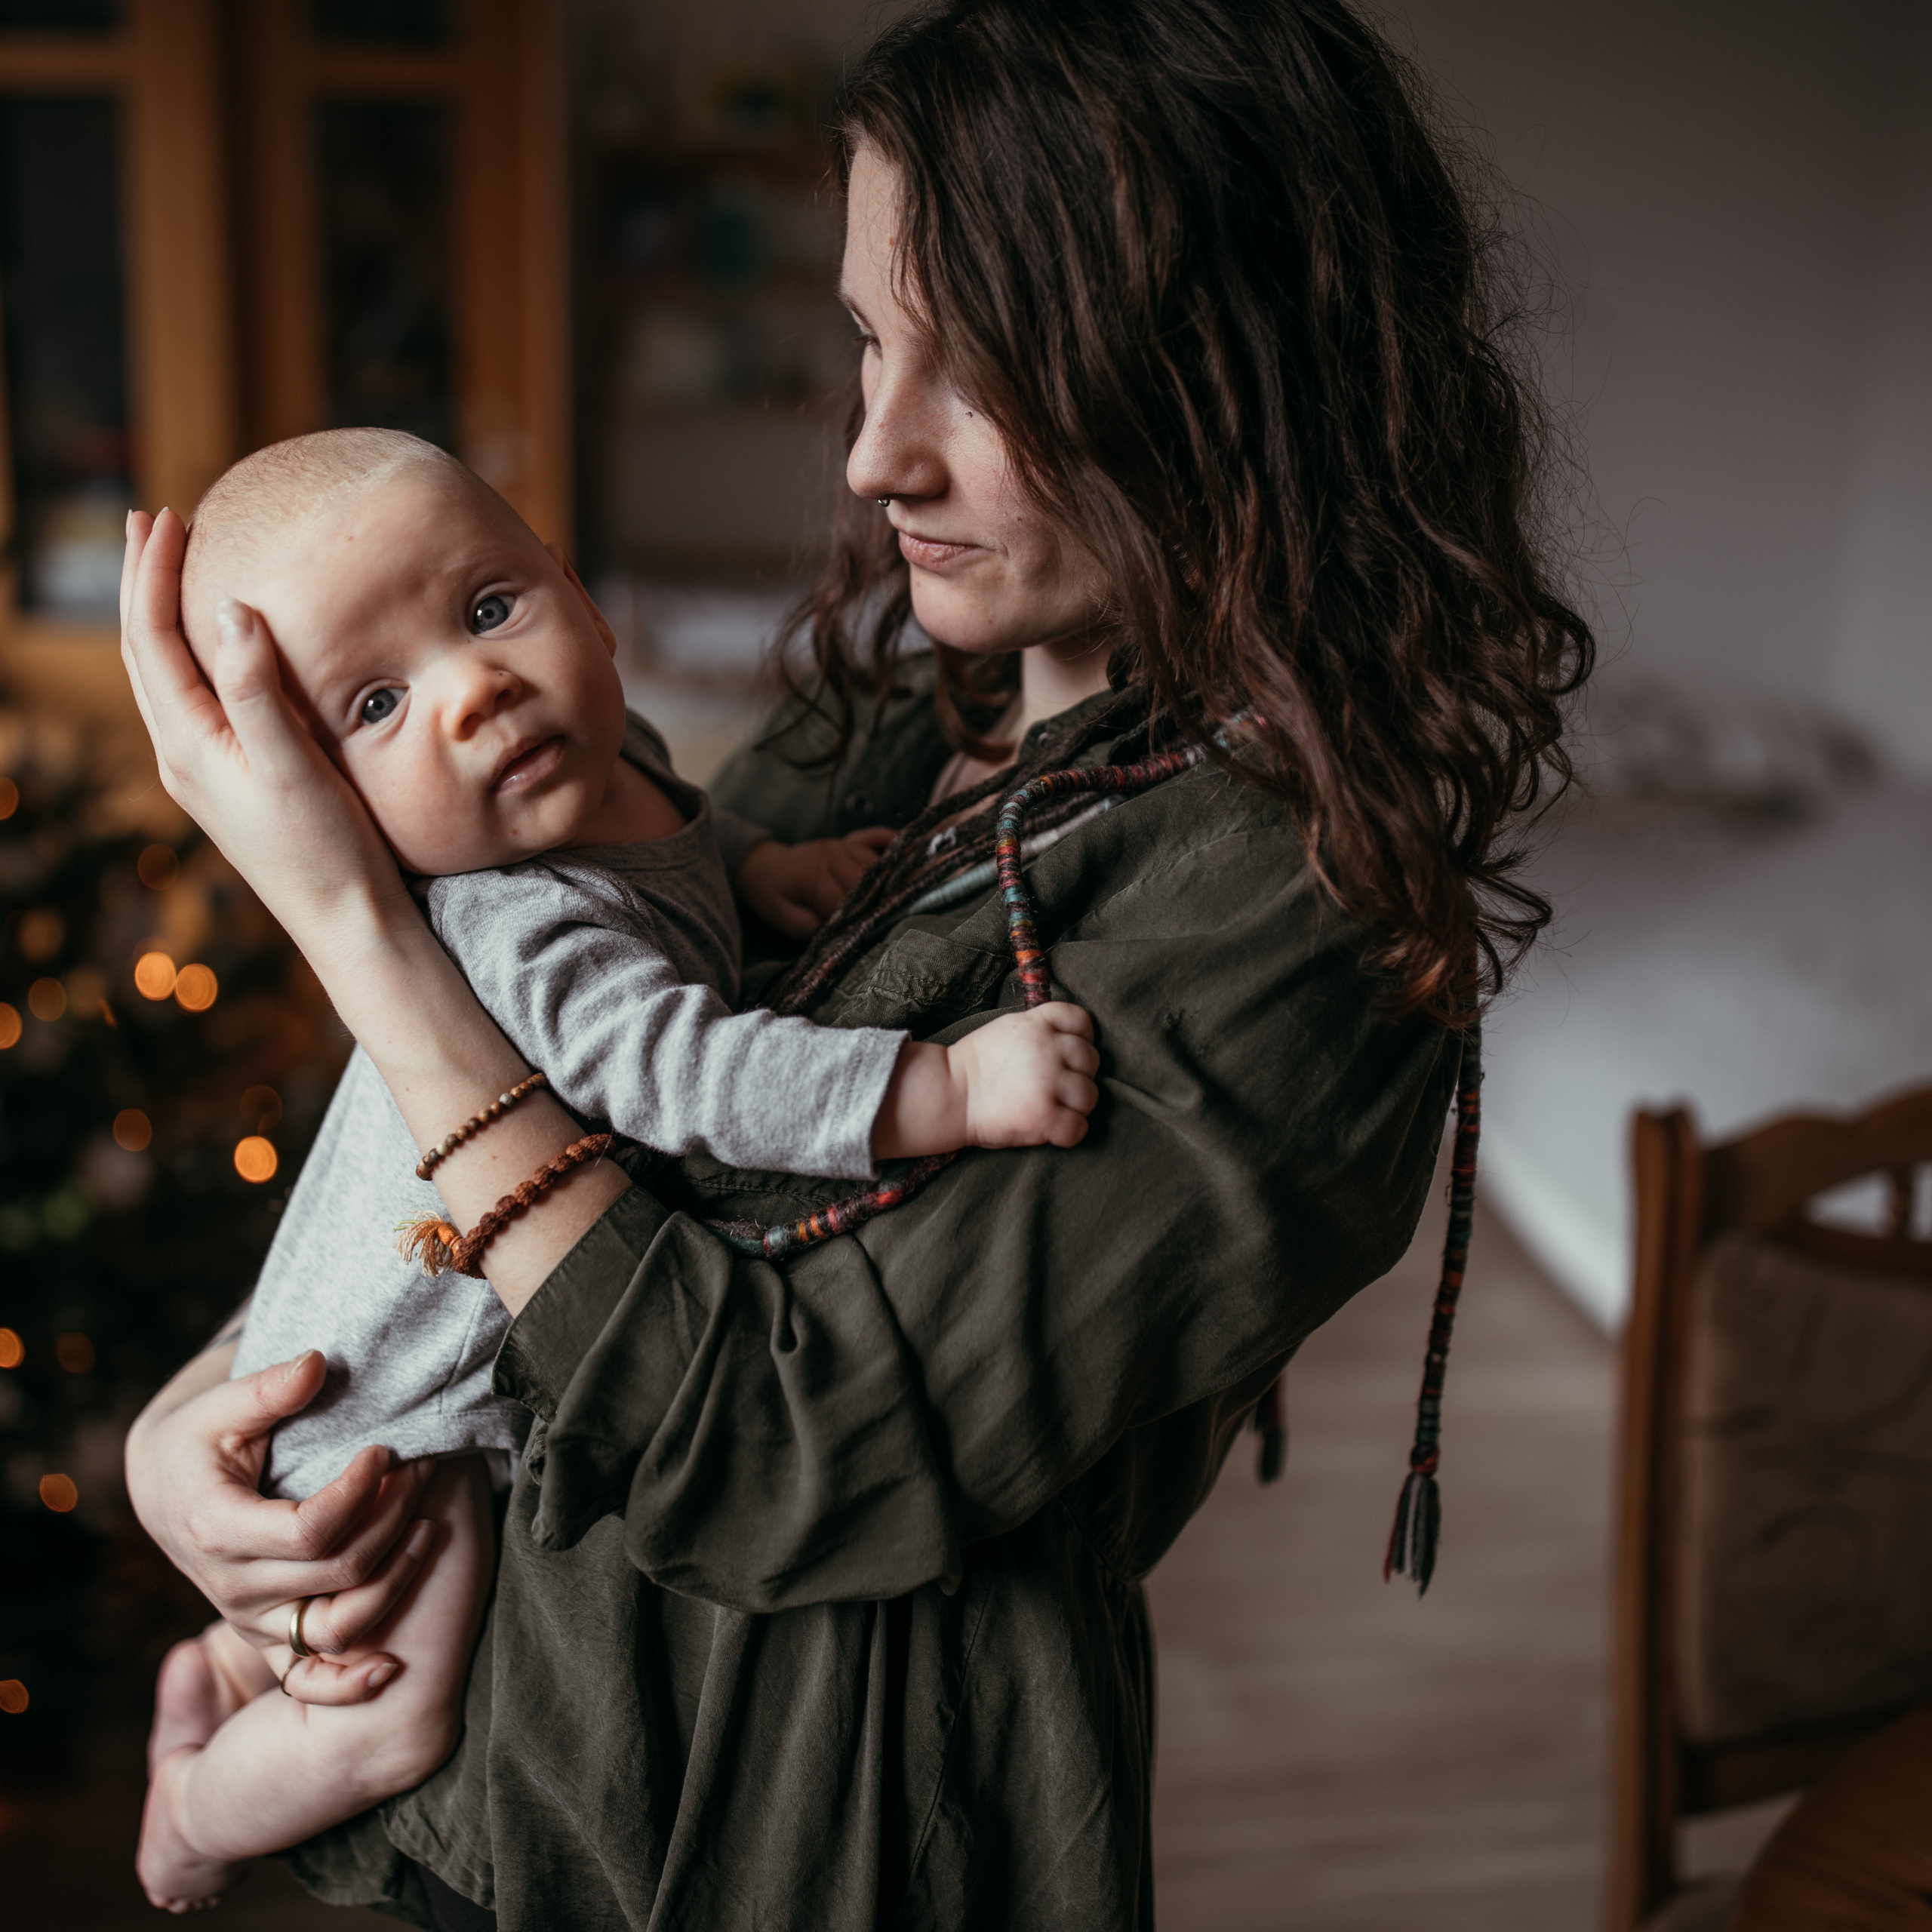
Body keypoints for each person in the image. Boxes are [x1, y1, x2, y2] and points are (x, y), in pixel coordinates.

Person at [120, 2, 1591, 1925]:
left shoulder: (1295, 916)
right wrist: (202, 1412)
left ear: (1238, 375)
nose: (878, 453)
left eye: (992, 369)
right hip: (508, 1793)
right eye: (871, 342)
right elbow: (525, 1084)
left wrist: (351, 926)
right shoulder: (885, 726)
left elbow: (779, 1454)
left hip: (814, 1844)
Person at [132, 427, 1101, 1913]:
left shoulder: (607, 764)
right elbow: (690, 1073)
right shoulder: (521, 929)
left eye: (488, 608)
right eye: (377, 705)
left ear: (575, 594)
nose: (475, 690)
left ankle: (220, 1666)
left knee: (325, 1647)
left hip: (352, 1341)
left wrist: (758, 868)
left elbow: (680, 839)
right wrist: (945, 1086)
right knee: (388, 1715)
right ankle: (194, 1815)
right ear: (322, 808)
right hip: (375, 1433)